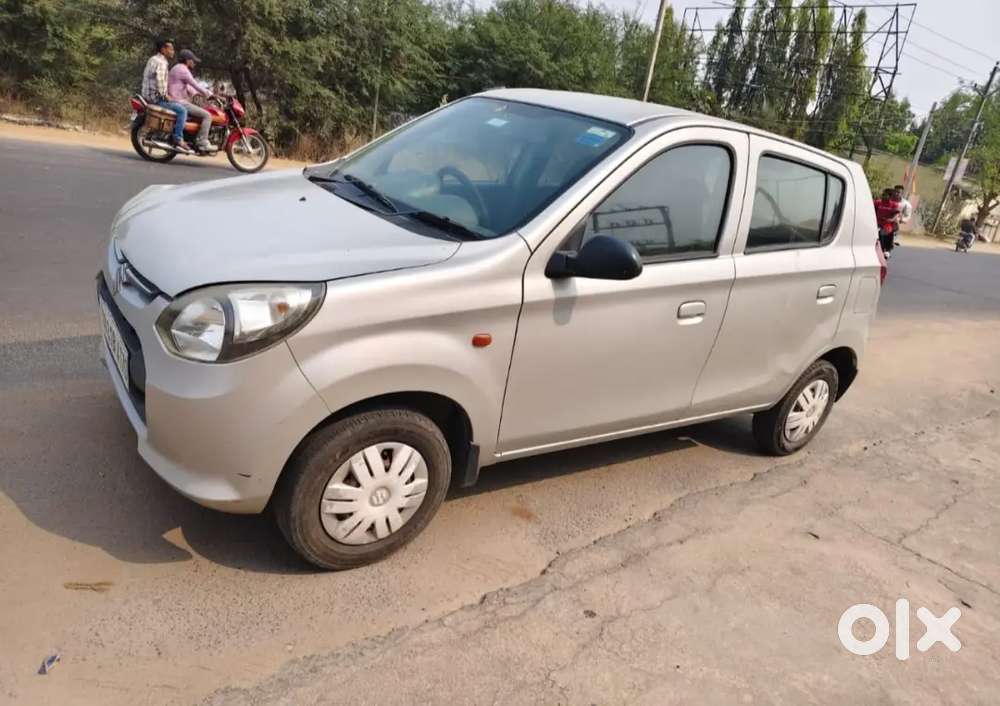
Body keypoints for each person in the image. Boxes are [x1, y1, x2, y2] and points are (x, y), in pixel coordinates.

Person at [141, 38, 189, 151]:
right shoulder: (162, 62)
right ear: (163, 49)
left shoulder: (153, 59)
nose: (173, 51)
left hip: (147, 95)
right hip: (156, 99)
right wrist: (166, 96)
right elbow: (160, 81)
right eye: (170, 49)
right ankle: (178, 138)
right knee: (182, 110)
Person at [168, 49, 214, 152]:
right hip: (179, 101)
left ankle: (192, 138)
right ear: (187, 60)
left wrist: (197, 94)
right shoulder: (183, 70)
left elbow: (188, 86)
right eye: (193, 60)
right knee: (207, 115)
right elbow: (195, 84)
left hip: (177, 99)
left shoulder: (177, 68)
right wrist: (210, 95)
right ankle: (202, 142)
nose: (194, 63)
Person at [873, 188, 900, 257]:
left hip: (887, 225)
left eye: (885, 194)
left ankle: (886, 250)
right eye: (883, 194)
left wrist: (892, 219)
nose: (883, 195)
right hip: (876, 223)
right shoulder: (878, 202)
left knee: (884, 232)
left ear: (890, 196)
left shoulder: (894, 205)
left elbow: (896, 214)